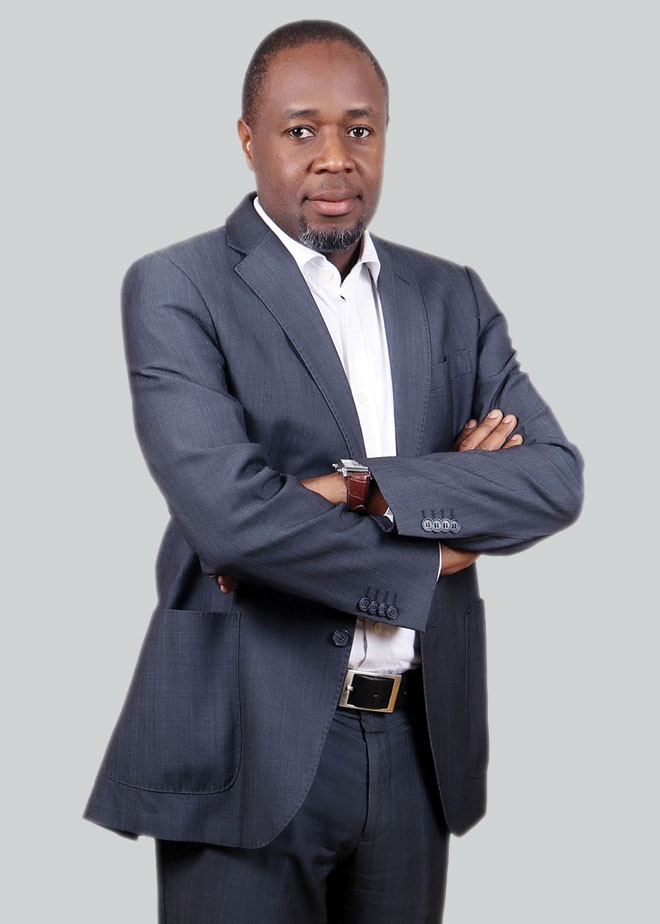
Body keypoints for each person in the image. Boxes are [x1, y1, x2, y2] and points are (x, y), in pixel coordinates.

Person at [85, 19, 583, 924]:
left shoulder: (452, 296)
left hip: (418, 745)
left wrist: (357, 487)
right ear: (249, 140)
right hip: (244, 740)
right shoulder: (178, 286)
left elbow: (552, 479)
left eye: (360, 128)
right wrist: (435, 548)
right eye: (300, 129)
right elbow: (233, 523)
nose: (334, 157)